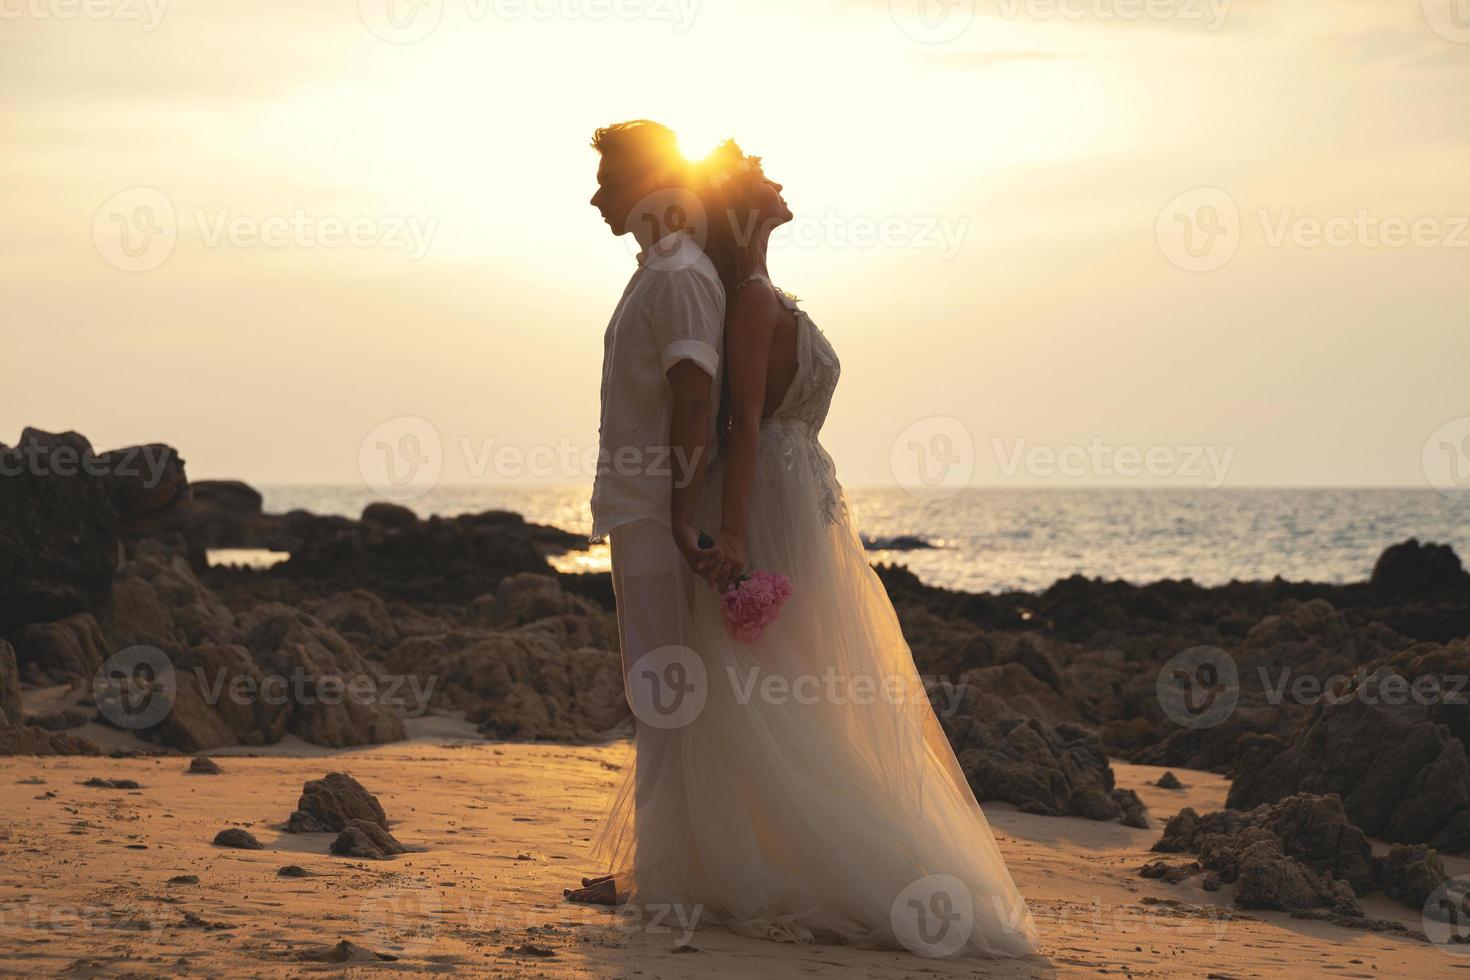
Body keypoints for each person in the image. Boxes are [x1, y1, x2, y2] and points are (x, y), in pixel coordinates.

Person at [581, 138, 1041, 959]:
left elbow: (721, 414)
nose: (781, 181)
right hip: (756, 500)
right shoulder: (732, 292)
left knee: (764, 686)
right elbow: (735, 421)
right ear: (740, 200)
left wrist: (710, 519)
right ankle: (686, 868)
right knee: (728, 687)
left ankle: (698, 870)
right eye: (764, 174)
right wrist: (715, 523)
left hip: (789, 503)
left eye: (604, 183)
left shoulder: (730, 288)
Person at [564, 120, 726, 908]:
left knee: (666, 688)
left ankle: (666, 880)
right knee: (661, 689)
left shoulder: (677, 276)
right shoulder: (660, 270)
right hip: (642, 509)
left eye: (610, 178)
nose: (597, 195)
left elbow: (697, 397)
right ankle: (664, 869)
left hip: (658, 512)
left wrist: (680, 514)